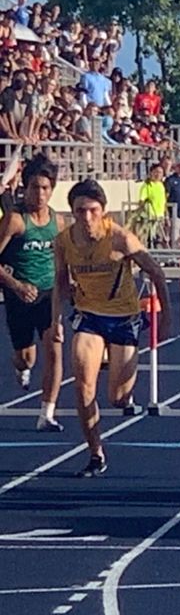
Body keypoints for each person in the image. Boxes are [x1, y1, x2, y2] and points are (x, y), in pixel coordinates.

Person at [52, 179, 170, 477]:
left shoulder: (120, 238)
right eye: (80, 211)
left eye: (92, 210)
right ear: (73, 212)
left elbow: (156, 273)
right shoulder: (64, 241)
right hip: (89, 316)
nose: (86, 218)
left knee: (117, 398)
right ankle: (96, 453)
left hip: (124, 318)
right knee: (83, 386)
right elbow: (61, 281)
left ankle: (112, 363)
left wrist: (166, 319)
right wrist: (55, 320)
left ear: (103, 212)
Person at [0, 153, 64, 431]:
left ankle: (46, 413)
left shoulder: (58, 222)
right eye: (35, 187)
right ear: (25, 187)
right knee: (27, 357)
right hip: (19, 296)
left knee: (55, 350)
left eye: (46, 188)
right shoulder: (15, 220)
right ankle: (21, 366)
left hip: (48, 295)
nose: (40, 194)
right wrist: (15, 285)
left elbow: (64, 260)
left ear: (52, 190)